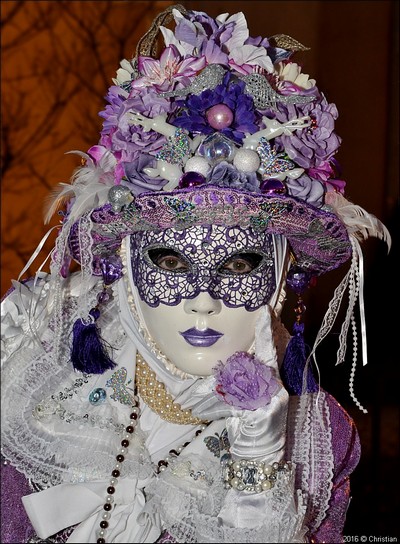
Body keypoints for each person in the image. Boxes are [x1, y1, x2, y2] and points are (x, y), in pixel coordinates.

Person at [0, 5, 391, 543]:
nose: (203, 301)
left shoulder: (314, 445)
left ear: (279, 280)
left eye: (237, 265)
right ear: (127, 276)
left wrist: (257, 472)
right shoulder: (36, 398)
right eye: (169, 262)